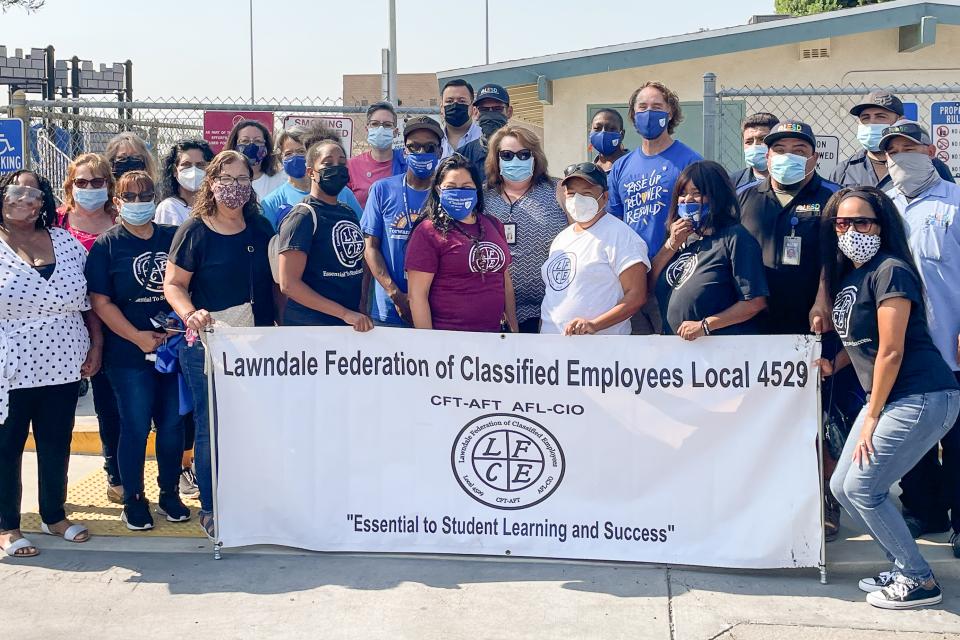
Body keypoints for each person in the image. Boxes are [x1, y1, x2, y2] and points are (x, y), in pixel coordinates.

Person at [821, 186, 959, 609]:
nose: (851, 230)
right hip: (893, 397)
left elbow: (892, 350)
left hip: (920, 394)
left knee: (864, 487)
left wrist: (872, 415)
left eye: (862, 221)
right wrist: (834, 364)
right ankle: (902, 565)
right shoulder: (855, 273)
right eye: (842, 223)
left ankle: (919, 581)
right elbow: (864, 341)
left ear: (882, 226)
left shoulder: (891, 269)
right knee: (842, 487)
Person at [164, 150, 277, 539]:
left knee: (254, 424)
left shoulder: (261, 228)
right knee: (210, 425)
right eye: (226, 179)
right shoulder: (194, 230)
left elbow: (276, 283)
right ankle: (211, 506)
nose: (235, 187)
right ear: (211, 183)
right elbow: (174, 284)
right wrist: (190, 313)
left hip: (258, 344)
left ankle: (253, 497)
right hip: (208, 346)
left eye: (243, 179)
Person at [0, 170, 99, 557]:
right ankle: (6, 524)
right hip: (10, 365)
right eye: (16, 190)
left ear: (44, 202)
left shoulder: (66, 242)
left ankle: (53, 515)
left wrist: (96, 346)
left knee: (56, 440)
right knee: (7, 444)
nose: (25, 199)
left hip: (63, 360)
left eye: (34, 193)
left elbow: (90, 301)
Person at [85, 171, 190, 531]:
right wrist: (137, 337)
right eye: (130, 196)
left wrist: (175, 330)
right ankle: (133, 499)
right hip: (128, 355)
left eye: (145, 195)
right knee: (134, 425)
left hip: (172, 350)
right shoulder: (107, 245)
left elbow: (186, 284)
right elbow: (100, 301)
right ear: (117, 202)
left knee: (173, 425)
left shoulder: (172, 237)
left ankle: (169, 494)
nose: (139, 202)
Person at [880, 120, 960, 549]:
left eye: (908, 148)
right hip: (905, 346)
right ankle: (922, 511)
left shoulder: (955, 202)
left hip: (952, 341)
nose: (899, 157)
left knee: (958, 438)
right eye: (892, 151)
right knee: (915, 439)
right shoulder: (885, 206)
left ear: (930, 152)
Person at [607, 81, 702, 334]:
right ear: (633, 115)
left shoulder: (690, 161)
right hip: (631, 277)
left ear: (670, 113)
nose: (649, 112)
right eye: (643, 107)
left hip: (674, 276)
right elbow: (613, 222)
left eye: (657, 106)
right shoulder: (621, 167)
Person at [60, 153, 123, 504]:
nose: (89, 188)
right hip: (67, 332)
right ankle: (55, 487)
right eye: (81, 183)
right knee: (57, 413)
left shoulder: (122, 220)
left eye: (97, 182)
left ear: (109, 186)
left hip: (114, 327)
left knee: (110, 406)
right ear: (70, 186)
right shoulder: (56, 223)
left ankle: (115, 475)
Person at [737, 120, 840, 335]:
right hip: (753, 319)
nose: (788, 156)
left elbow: (837, 255)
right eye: (779, 150)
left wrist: (825, 296)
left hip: (814, 318)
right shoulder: (743, 197)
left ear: (815, 158)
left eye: (799, 151)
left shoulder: (835, 198)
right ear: (768, 157)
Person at [650, 161, 768, 337]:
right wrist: (671, 245)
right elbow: (650, 285)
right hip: (675, 352)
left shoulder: (736, 238)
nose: (688, 200)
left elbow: (754, 302)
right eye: (682, 194)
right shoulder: (678, 240)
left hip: (717, 353)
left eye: (696, 193)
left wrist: (705, 326)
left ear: (716, 197)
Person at [406, 154, 518, 333]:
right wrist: (427, 346)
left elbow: (505, 281)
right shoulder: (427, 232)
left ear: (476, 190)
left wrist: (514, 332)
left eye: (466, 187)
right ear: (438, 190)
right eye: (451, 187)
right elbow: (417, 295)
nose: (459, 192)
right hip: (449, 343)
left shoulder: (494, 224)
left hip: (495, 339)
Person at [540, 163, 649, 335]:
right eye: (571, 194)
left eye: (586, 194)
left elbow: (636, 295)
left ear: (605, 197)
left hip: (599, 352)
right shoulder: (561, 239)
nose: (577, 200)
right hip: (551, 350)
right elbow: (552, 295)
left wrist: (594, 325)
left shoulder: (621, 236)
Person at [276, 136, 371, 330]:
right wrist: (344, 313)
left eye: (342, 163)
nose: (336, 168)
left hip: (349, 325)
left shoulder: (348, 212)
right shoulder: (302, 216)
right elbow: (288, 284)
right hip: (311, 328)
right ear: (311, 172)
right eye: (328, 163)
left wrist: (359, 309)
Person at [361, 115, 444, 327]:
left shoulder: (447, 194)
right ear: (404, 151)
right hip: (388, 309)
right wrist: (395, 294)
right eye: (414, 147)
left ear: (440, 152)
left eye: (429, 148)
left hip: (437, 308)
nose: (421, 153)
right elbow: (370, 248)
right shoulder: (382, 189)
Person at [483, 126, 567, 333]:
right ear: (496, 159)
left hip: (551, 310)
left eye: (523, 154)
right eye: (507, 155)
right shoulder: (482, 197)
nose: (515, 160)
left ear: (535, 156)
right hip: (497, 310)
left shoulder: (558, 189)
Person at [830, 91, 953, 189]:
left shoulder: (932, 166)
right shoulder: (844, 170)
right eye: (865, 118)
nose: (872, 122)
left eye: (880, 116)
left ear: (899, 120)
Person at [260, 124, 363, 230]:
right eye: (288, 153)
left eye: (301, 152)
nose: (295, 157)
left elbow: (362, 229)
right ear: (280, 158)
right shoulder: (271, 202)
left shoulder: (343, 193)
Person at [347, 102, 406, 208]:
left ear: (395, 132)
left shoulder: (405, 164)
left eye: (387, 125)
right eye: (375, 124)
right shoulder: (351, 166)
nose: (380, 129)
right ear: (367, 129)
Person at [459, 84, 512, 183]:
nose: (490, 114)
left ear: (509, 112)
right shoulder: (463, 155)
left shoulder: (524, 151)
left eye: (497, 109)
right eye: (484, 109)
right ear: (475, 113)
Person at [155, 139, 214, 226]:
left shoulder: (214, 206)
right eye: (186, 165)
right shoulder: (169, 208)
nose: (193, 170)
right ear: (175, 170)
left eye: (200, 165)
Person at [224, 119, 286, 199]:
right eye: (245, 141)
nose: (251, 146)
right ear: (234, 146)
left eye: (258, 141)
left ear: (266, 147)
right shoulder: (224, 180)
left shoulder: (280, 179)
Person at [730, 113, 779, 189]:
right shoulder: (732, 183)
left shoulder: (793, 180)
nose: (755, 146)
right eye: (749, 142)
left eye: (762, 139)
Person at [440, 79, 482, 159]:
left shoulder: (483, 139)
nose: (455, 104)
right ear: (442, 108)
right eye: (449, 101)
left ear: (473, 108)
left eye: (462, 101)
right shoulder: (434, 141)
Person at [590, 109, 628, 174]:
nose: (603, 133)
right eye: (597, 128)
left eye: (611, 129)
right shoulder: (589, 171)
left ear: (622, 135)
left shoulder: (633, 165)